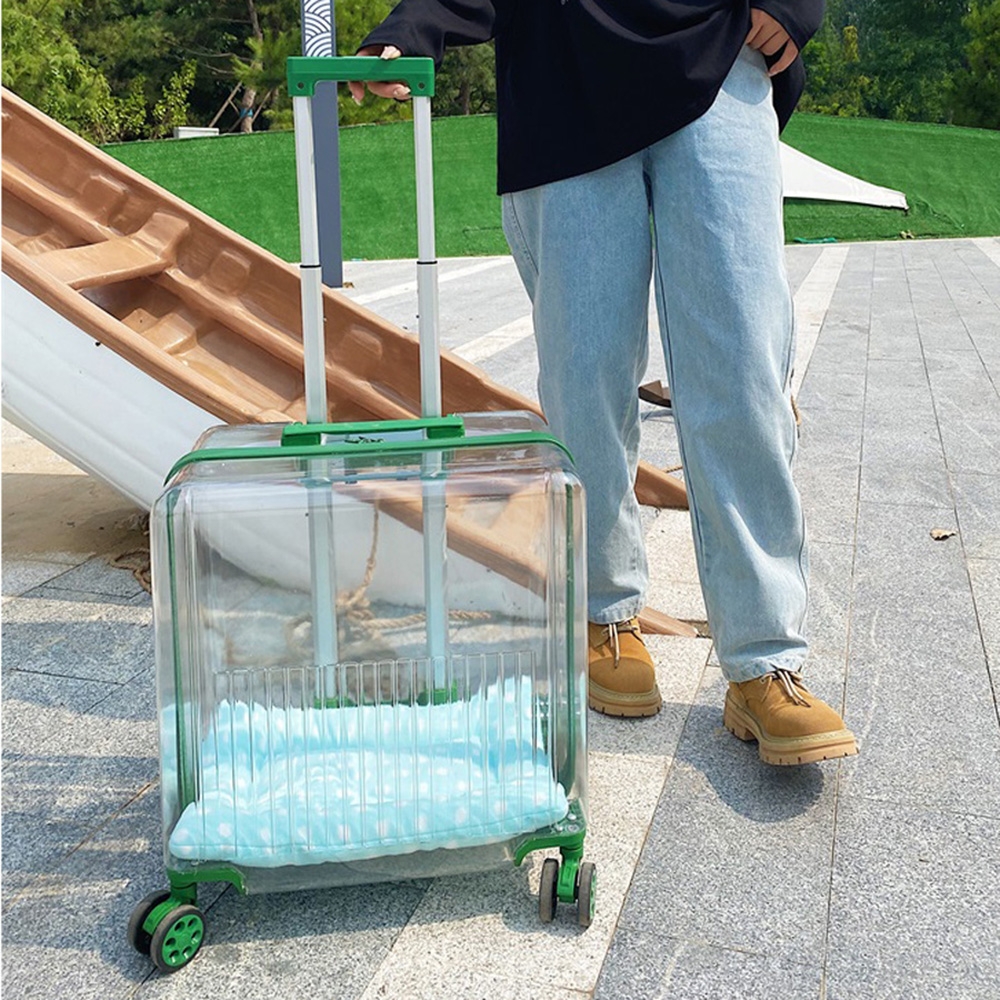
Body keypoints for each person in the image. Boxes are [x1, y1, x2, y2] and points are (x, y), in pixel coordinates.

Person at [348, 1, 858, 766]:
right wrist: (415, 23)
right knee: (584, 375)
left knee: (744, 372)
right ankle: (605, 612)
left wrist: (790, 6)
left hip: (718, 55)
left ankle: (765, 658)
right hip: (563, 70)